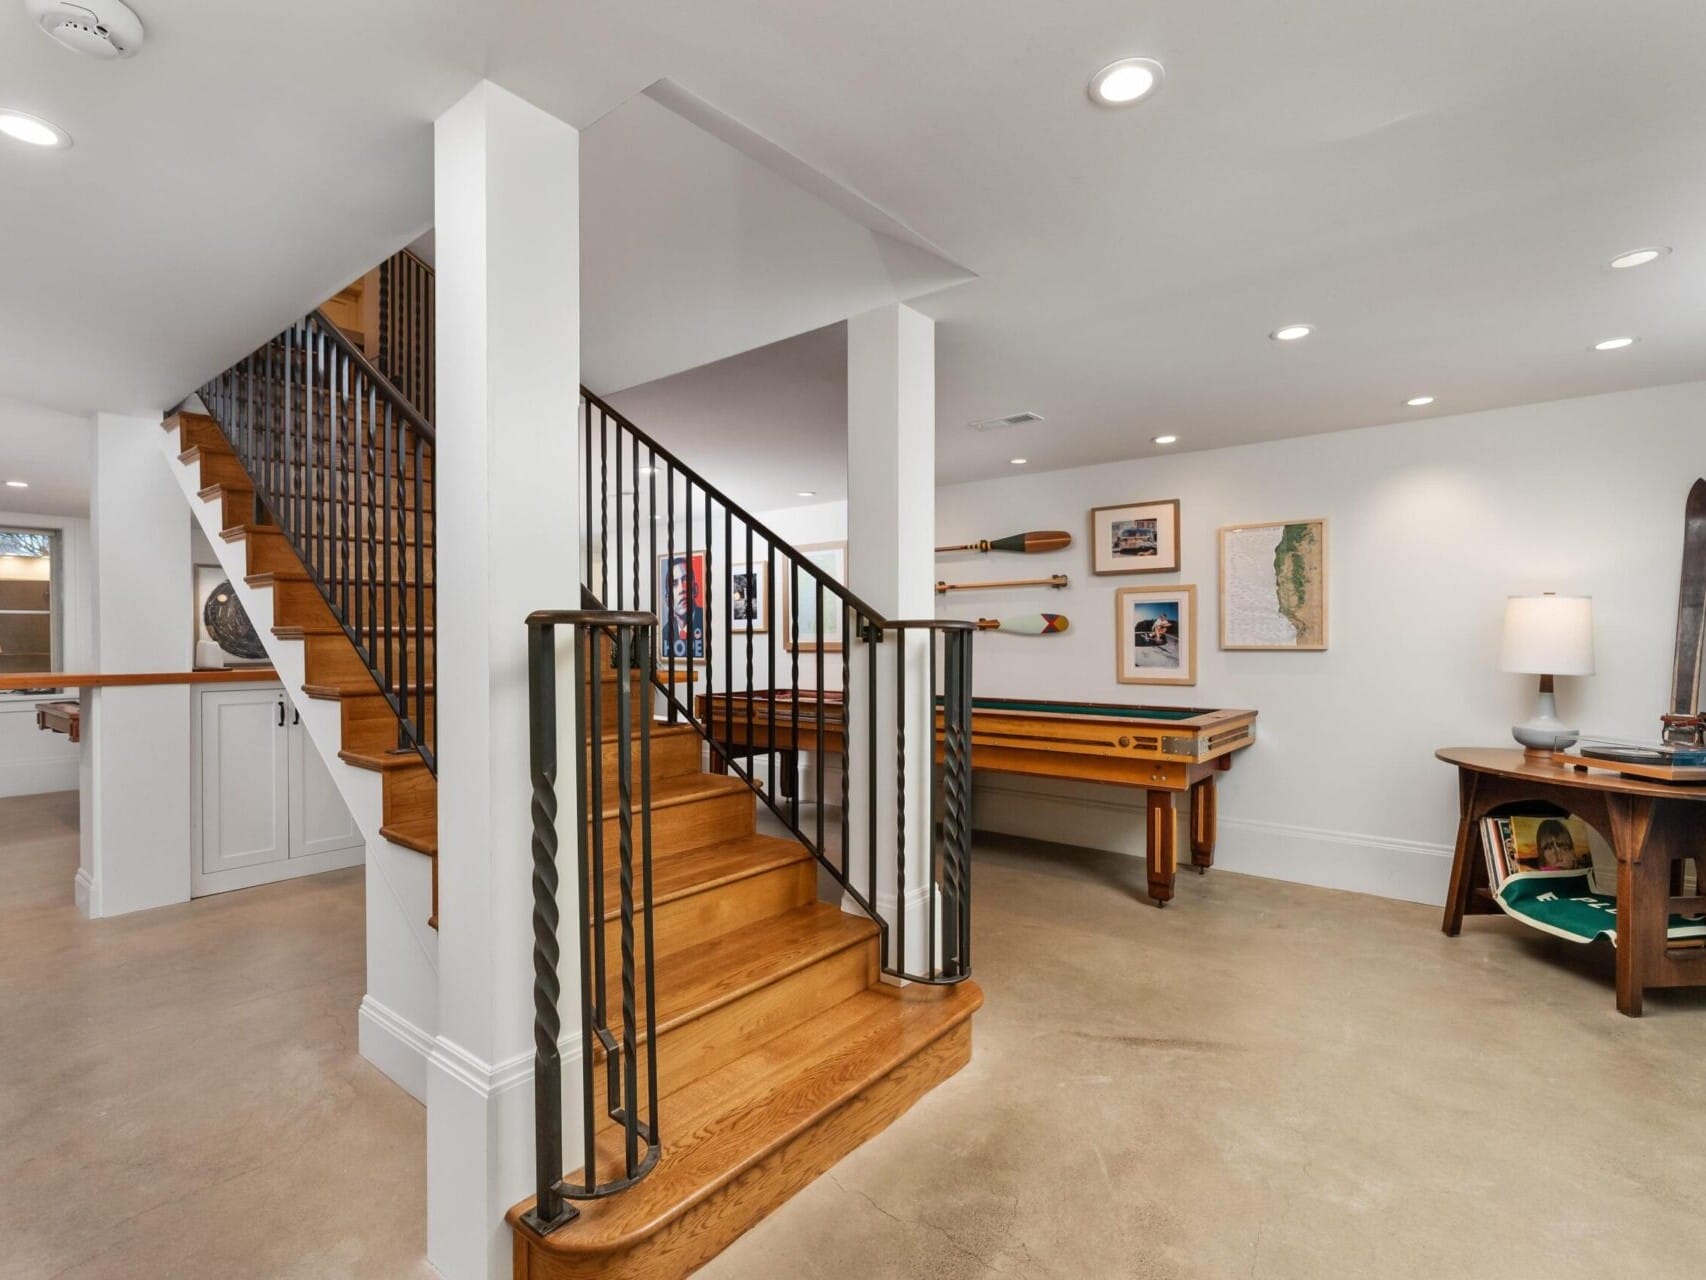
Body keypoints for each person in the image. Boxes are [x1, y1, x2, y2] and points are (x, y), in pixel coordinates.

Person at [663, 558, 704, 659]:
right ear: (668, 600)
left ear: (695, 589)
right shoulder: (666, 631)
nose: (682, 589)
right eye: (674, 584)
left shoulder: (705, 621)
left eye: (686, 579)